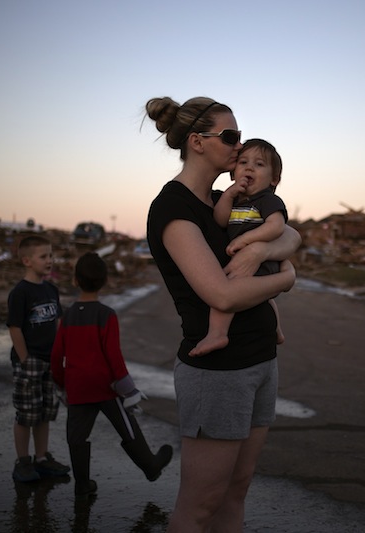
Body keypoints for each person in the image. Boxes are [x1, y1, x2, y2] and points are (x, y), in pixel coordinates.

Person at [145, 96, 301, 532]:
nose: (239, 146)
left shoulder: (224, 200)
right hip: (217, 373)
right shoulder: (172, 209)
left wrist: (266, 251)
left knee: (237, 489)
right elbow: (222, 295)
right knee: (201, 504)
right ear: (197, 141)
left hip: (260, 360)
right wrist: (285, 279)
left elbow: (290, 231)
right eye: (230, 137)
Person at [50, 252, 173, 499]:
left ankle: (82, 484)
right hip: (105, 387)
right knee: (127, 426)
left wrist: (62, 385)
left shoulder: (68, 316)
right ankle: (150, 466)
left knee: (76, 436)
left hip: (77, 388)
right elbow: (113, 356)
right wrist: (128, 389)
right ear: (105, 281)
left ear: (75, 281)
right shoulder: (106, 315)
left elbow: (56, 355)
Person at [190, 138, 288, 356]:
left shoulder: (268, 200)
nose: (249, 167)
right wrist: (229, 194)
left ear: (274, 179)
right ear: (233, 173)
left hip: (260, 260)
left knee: (227, 290)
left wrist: (246, 240)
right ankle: (277, 330)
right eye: (243, 162)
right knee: (265, 298)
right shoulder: (235, 201)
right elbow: (221, 220)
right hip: (251, 260)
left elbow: (276, 227)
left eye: (259, 164)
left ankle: (218, 333)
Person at [7, 235, 71, 482]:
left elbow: (58, 323)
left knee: (45, 412)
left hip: (50, 361)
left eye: (51, 255)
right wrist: (25, 360)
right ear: (27, 261)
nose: (50, 261)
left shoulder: (51, 290)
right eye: (43, 256)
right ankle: (23, 461)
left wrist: (60, 354)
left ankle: (42, 458)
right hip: (29, 362)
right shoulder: (20, 292)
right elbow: (14, 328)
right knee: (26, 414)